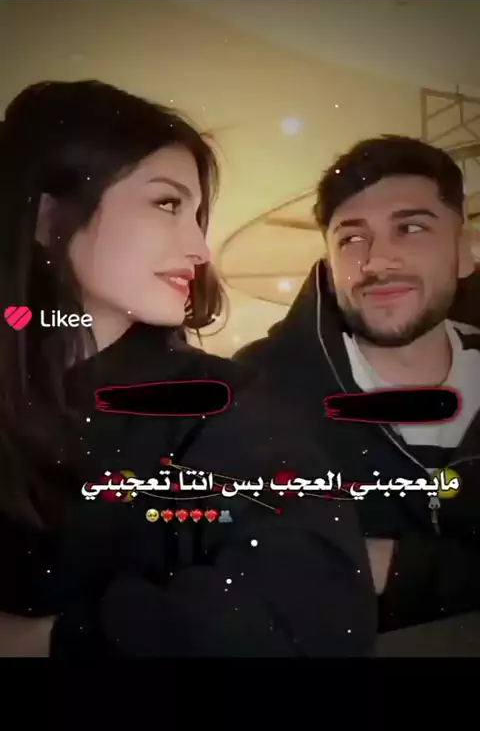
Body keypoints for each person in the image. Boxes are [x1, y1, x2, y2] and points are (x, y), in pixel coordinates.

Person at [0, 80, 376, 657]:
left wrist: (47, 640)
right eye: (167, 204)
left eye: (198, 214)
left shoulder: (225, 403)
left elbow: (312, 620)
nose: (201, 248)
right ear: (50, 218)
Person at [236, 135, 480, 632]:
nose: (377, 262)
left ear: (464, 251)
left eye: (411, 228)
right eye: (351, 239)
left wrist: (397, 568)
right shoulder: (256, 396)